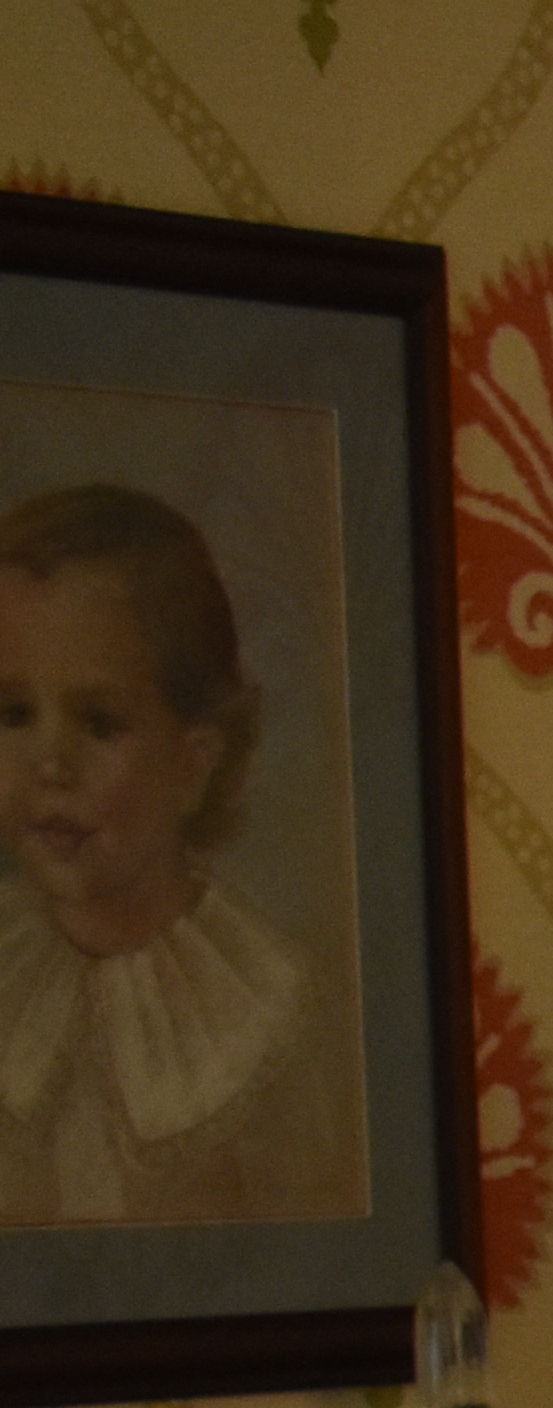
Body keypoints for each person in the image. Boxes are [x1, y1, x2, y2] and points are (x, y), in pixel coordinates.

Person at [0, 482, 350, 1229]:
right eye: (15, 714)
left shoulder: (263, 1012)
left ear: (195, 762)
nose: (49, 764)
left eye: (99, 723)